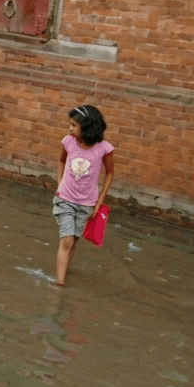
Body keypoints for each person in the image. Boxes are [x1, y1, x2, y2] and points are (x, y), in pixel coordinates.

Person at [53, 104, 115, 287]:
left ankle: (63, 270)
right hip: (65, 199)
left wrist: (100, 201)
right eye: (69, 124)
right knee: (67, 240)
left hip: (87, 204)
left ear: (87, 127)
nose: (69, 128)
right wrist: (60, 184)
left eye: (73, 125)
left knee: (73, 242)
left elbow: (110, 172)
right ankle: (60, 282)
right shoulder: (68, 142)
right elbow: (61, 161)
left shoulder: (104, 148)